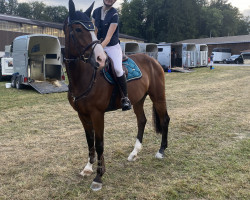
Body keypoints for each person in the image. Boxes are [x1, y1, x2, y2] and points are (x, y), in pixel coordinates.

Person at [92, 0, 131, 111]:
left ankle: (125, 98)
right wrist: (94, 45)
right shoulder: (95, 12)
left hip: (112, 46)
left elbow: (108, 38)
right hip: (98, 44)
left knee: (118, 69)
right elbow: (94, 31)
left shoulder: (114, 14)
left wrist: (98, 48)